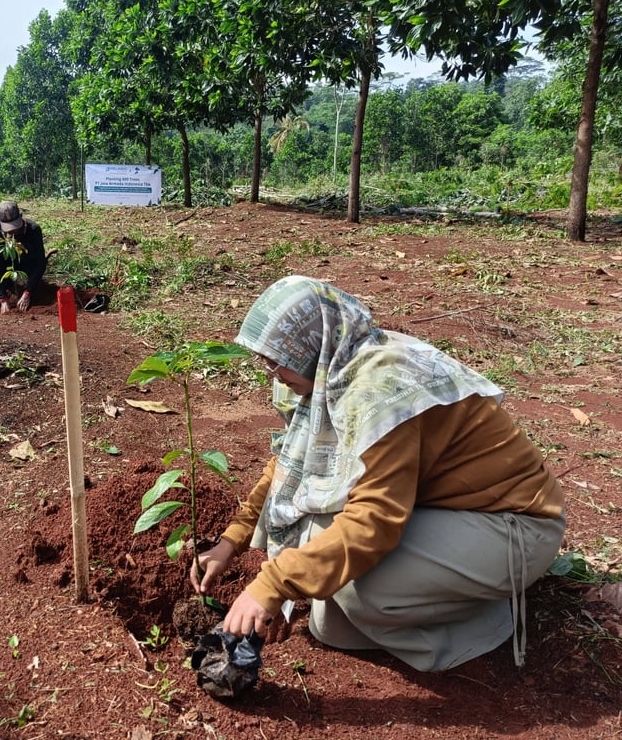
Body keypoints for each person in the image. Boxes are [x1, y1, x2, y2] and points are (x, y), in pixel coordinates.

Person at [190, 275, 565, 672]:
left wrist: (272, 584)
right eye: (265, 360)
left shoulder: (381, 390)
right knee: (330, 621)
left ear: (312, 346)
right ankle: (447, 589)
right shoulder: (331, 370)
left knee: (360, 592)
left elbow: (376, 520)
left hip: (514, 528)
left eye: (277, 360)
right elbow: (288, 468)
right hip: (448, 510)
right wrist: (229, 543)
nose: (272, 373)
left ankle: (486, 618)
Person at [0, 200, 47, 314]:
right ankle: (6, 283)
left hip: (27, 264)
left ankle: (28, 284)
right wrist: (2, 297)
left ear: (21, 216)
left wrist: (28, 292)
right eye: (9, 228)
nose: (13, 231)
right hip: (7, 265)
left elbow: (41, 263)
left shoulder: (33, 229)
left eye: (15, 226)